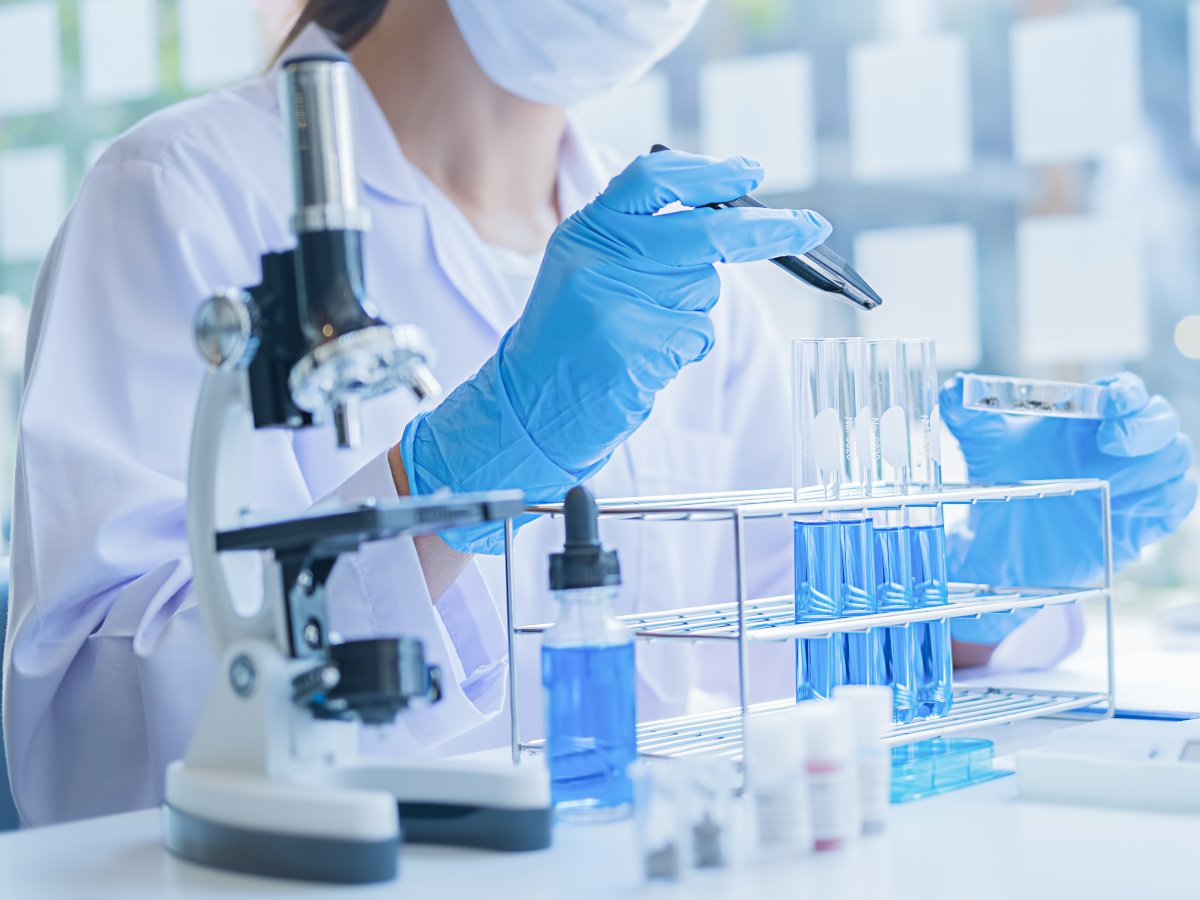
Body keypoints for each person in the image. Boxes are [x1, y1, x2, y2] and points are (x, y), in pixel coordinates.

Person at [5, 0, 1194, 828]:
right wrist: (454, 479)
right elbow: (94, 746)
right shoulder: (181, 197)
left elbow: (788, 638)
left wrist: (982, 584)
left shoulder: (676, 265)